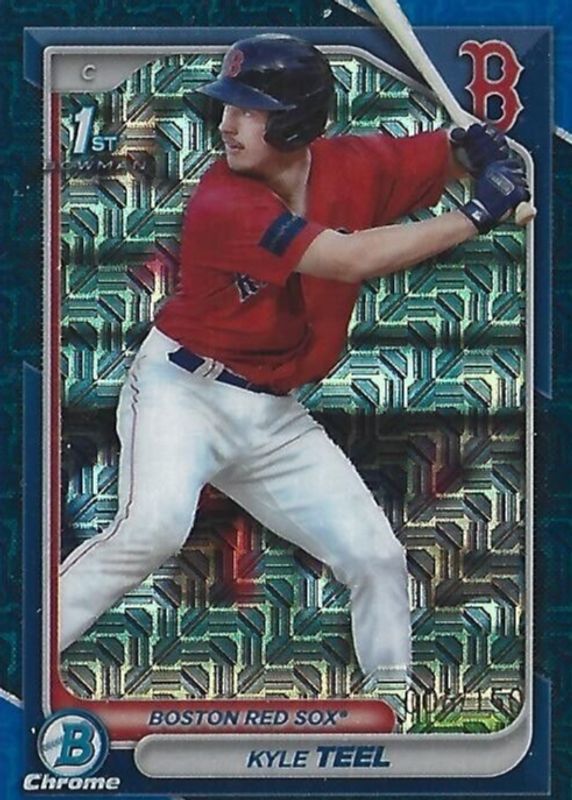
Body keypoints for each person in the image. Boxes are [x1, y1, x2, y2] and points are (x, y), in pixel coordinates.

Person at [59, 34, 529, 687]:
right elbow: (350, 259)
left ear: (297, 120)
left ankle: (393, 706)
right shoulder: (224, 200)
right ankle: (31, 658)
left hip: (273, 415)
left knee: (375, 556)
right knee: (152, 530)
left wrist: (473, 148)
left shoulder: (354, 165)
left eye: (250, 110)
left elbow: (441, 156)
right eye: (229, 107)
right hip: (181, 395)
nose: (226, 125)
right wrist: (478, 213)